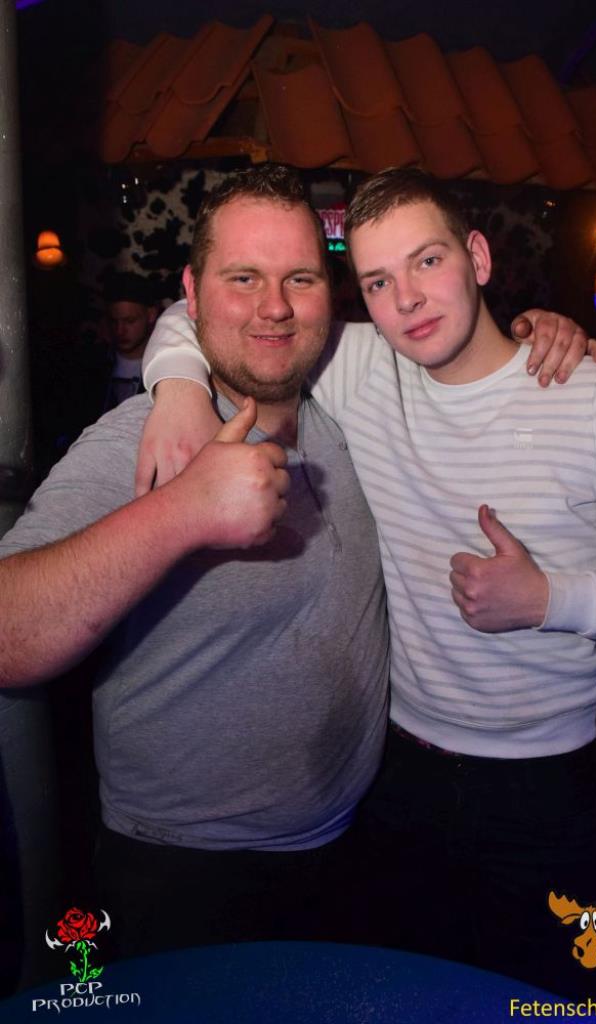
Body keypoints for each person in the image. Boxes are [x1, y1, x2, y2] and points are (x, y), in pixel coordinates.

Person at [139, 167, 596, 993]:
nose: (408, 300)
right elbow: (205, 313)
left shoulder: (591, 395)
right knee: (407, 990)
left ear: (477, 258)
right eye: (377, 281)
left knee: (547, 1000)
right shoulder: (360, 368)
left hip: (544, 785)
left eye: (427, 261)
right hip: (395, 775)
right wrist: (177, 389)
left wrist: (550, 600)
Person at [0, 166, 390, 960]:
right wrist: (182, 511)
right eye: (242, 278)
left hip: (351, 846)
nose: (274, 306)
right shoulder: (144, 439)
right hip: (186, 876)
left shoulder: (344, 406)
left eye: (299, 278)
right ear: (191, 292)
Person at [100, 272, 159, 412]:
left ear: (151, 315)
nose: (120, 330)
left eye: (130, 321)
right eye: (113, 321)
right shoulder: (91, 365)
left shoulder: (163, 367)